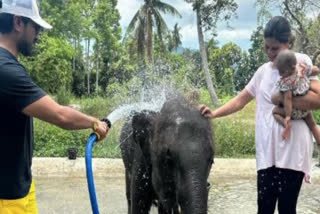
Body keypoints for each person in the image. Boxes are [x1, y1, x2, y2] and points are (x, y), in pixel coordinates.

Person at [200, 16, 320, 214]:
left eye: (275, 48)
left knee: (286, 209)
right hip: (267, 152)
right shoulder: (262, 72)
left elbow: (317, 99)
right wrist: (214, 113)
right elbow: (241, 100)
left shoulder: (299, 62)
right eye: (267, 48)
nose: (270, 54)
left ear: (288, 42)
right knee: (263, 208)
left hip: (292, 151)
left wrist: (282, 100)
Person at [0, 0, 109, 213]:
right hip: (6, 199)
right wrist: (95, 122)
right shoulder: (5, 71)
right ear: (18, 22)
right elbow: (60, 115)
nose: (38, 35)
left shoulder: (8, 66)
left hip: (20, 187)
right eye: (36, 27)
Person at [272, 49, 320, 145]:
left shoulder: (287, 82)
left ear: (292, 68)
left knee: (274, 112)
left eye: (282, 72)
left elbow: (288, 99)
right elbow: (315, 70)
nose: (280, 74)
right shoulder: (301, 68)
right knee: (313, 124)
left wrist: (288, 116)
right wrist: (316, 70)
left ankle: (286, 125)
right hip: (305, 110)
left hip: (294, 111)